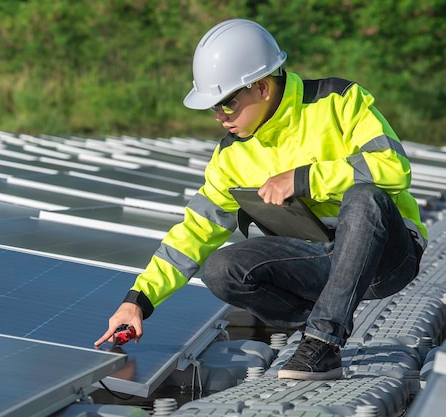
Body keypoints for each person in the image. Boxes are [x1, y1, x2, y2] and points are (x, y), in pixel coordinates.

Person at [94, 18, 427, 380]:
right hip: (320, 262)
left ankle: (322, 343)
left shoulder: (339, 101)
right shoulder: (231, 156)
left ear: (263, 87)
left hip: (386, 258)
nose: (220, 117)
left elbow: (394, 168)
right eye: (213, 108)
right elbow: (195, 232)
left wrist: (305, 179)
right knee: (221, 270)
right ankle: (321, 325)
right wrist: (138, 300)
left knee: (365, 198)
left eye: (227, 103)